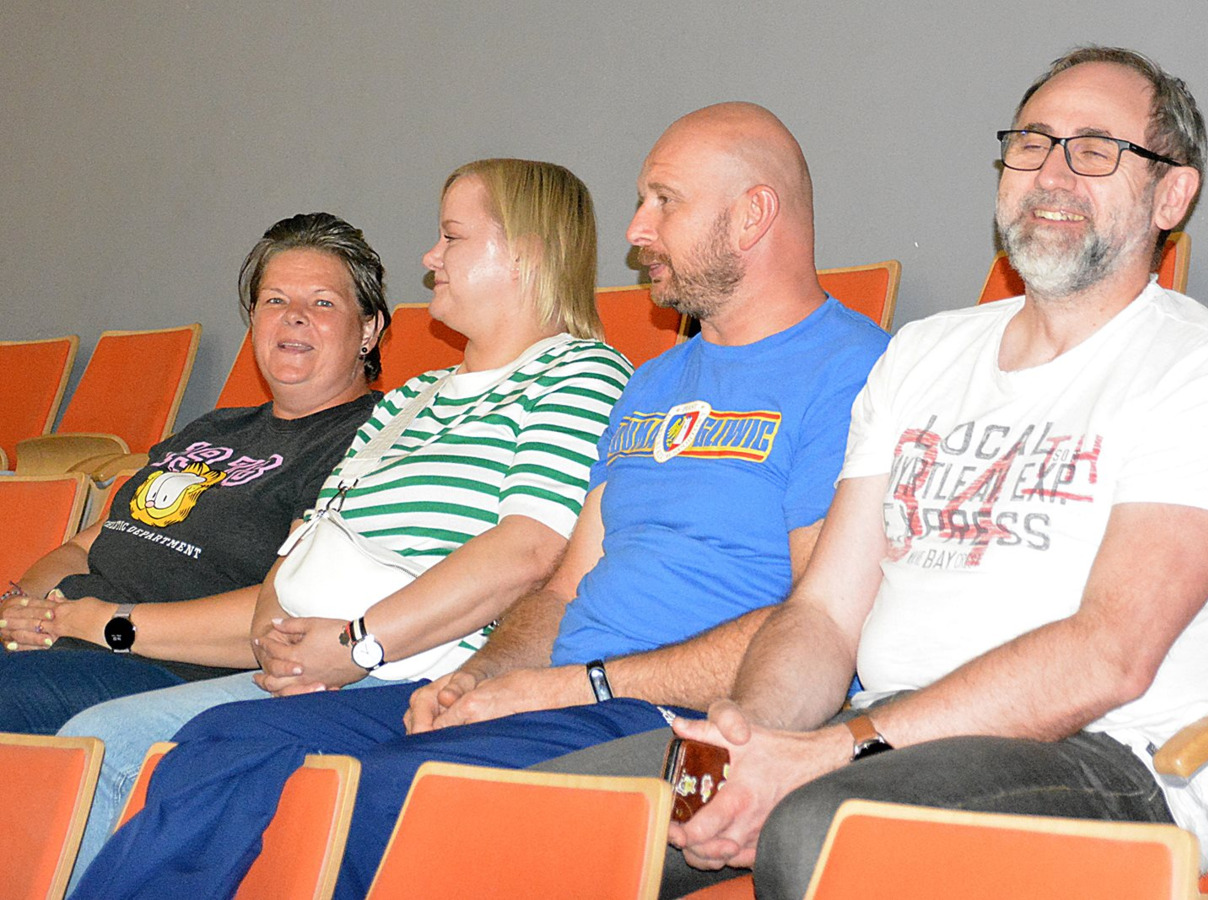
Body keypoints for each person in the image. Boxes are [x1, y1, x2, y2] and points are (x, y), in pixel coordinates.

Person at [74, 103, 890, 899]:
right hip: (561, 693)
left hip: (662, 709)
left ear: (751, 215)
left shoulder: (853, 371)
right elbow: (564, 586)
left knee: (390, 796)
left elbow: (817, 614)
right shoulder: (655, 382)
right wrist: (479, 677)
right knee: (225, 740)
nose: (636, 230)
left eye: (663, 201)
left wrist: (576, 686)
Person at [657, 48, 1208, 899]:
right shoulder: (923, 354)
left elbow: (1107, 655)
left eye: (1094, 149)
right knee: (609, 804)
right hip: (881, 734)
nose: (1051, 173)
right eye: (1031, 143)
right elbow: (824, 613)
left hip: (1105, 761)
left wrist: (835, 752)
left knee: (823, 830)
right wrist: (754, 739)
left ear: (1171, 195)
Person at [62, 158, 632, 891]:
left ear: (526, 252)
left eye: (452, 237)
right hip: (316, 668)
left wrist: (358, 645)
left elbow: (528, 550)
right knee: (105, 735)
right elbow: (309, 536)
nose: (430, 257)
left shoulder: (581, 374)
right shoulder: (412, 397)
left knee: (111, 741)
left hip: (407, 670)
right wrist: (277, 640)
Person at [0, 211, 387, 731]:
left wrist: (106, 622)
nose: (294, 317)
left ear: (369, 329)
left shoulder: (366, 440)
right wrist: (23, 607)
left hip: (163, 670)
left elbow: (286, 610)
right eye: (275, 300)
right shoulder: (215, 426)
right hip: (66, 639)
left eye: (322, 303)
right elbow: (87, 544)